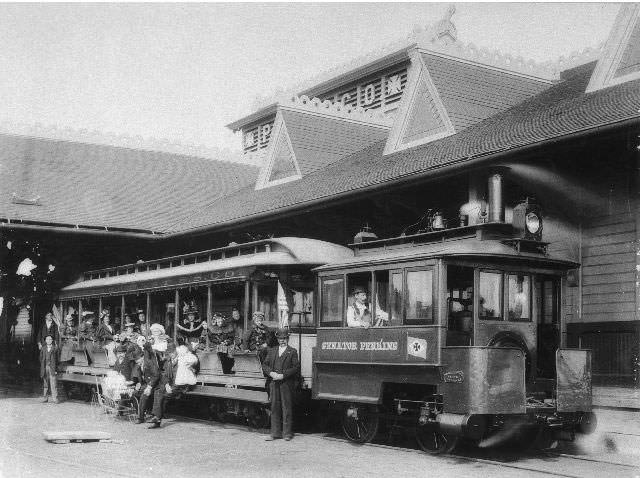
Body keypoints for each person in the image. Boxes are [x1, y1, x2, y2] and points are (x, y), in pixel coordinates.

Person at [262, 328, 300, 441]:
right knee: (274, 407)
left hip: (286, 384)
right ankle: (275, 433)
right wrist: (271, 373)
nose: (282, 341)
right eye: (280, 339)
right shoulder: (272, 351)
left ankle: (287, 434)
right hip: (274, 383)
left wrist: (283, 375)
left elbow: (296, 367)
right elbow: (265, 365)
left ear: (287, 339)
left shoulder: (292, 351)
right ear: (277, 339)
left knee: (286, 407)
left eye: (284, 339)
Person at [135, 341, 161, 424]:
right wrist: (139, 383)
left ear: (142, 357)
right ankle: (142, 412)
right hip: (147, 384)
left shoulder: (149, 363)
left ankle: (141, 418)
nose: (137, 362)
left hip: (156, 384)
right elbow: (142, 377)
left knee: (144, 396)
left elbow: (156, 375)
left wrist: (149, 387)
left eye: (138, 359)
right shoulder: (139, 365)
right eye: (135, 360)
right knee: (134, 393)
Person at [40, 335, 59, 403]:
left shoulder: (55, 348)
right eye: (47, 339)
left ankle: (55, 399)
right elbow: (41, 358)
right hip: (45, 368)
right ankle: (45, 398)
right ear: (45, 340)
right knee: (45, 384)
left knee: (54, 384)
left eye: (50, 339)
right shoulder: (43, 348)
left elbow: (57, 360)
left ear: (52, 340)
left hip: (52, 368)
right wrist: (43, 366)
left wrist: (56, 369)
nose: (49, 340)